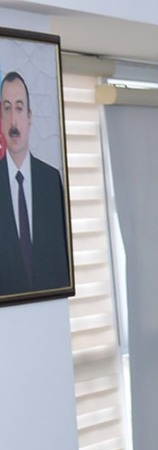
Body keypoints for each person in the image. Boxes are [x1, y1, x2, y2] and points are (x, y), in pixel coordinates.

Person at [0, 71, 69, 294]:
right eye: (7, 108)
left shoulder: (51, 181)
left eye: (19, 108)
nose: (13, 120)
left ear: (29, 117)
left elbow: (61, 259)